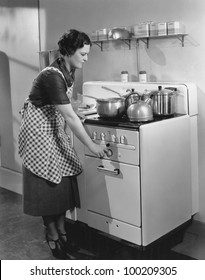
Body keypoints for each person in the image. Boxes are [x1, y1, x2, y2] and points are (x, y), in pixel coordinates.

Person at [18, 29, 108, 260]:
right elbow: (69, 116)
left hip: (54, 131)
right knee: (48, 187)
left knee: (63, 184)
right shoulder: (51, 75)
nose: (86, 59)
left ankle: (62, 231)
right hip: (39, 135)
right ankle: (52, 234)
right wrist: (93, 146)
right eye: (83, 54)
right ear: (69, 51)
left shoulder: (69, 70)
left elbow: (64, 109)